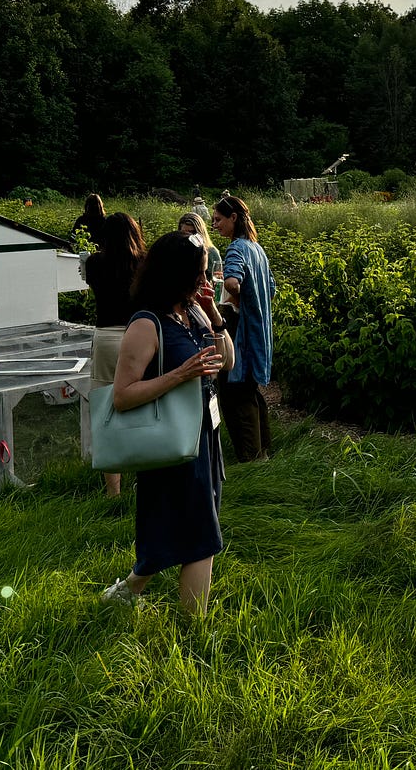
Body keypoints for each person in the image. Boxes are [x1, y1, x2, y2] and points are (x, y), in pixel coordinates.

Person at [100, 231, 234, 613]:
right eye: (200, 275)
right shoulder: (146, 324)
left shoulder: (191, 312)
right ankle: (195, 634)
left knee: (177, 527)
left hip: (203, 436)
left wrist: (215, 317)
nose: (206, 283)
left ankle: (126, 592)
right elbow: (122, 396)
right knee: (202, 538)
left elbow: (227, 363)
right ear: (176, 275)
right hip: (171, 440)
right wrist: (178, 375)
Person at [83, 212, 147, 498]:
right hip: (138, 336)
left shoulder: (96, 263)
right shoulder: (144, 263)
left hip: (107, 336)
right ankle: (147, 471)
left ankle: (113, 490)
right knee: (143, 403)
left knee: (105, 411)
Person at [211, 195, 276, 462]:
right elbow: (271, 288)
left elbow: (232, 283)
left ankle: (251, 458)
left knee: (236, 393)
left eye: (218, 220)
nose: (215, 225)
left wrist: (236, 298)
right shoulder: (256, 248)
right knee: (251, 390)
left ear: (233, 218)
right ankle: (264, 451)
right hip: (260, 329)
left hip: (242, 330)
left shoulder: (236, 248)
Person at [178, 212, 223, 283]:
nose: (188, 237)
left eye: (192, 232)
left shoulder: (211, 252)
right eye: (184, 233)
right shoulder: (177, 251)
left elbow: (217, 280)